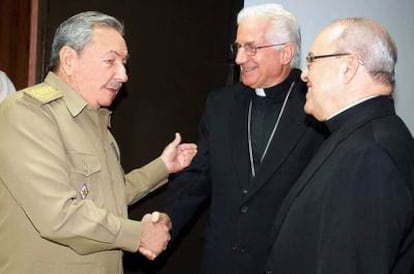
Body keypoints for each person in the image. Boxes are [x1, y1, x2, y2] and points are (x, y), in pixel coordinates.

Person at [0, 11, 197, 274]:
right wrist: (139, 234)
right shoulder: (28, 112)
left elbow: (108, 196)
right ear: (69, 60)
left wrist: (162, 166)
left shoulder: (95, 118)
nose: (123, 75)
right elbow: (57, 214)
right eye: (110, 61)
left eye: (124, 62)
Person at [163, 4, 327, 274]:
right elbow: (199, 176)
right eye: (238, 47)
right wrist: (167, 220)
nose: (239, 58)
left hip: (284, 262)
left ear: (285, 52)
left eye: (251, 48)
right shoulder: (221, 104)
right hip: (221, 262)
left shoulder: (317, 105)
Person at [264, 18, 414, 274]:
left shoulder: (369, 155)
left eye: (312, 60)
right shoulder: (360, 134)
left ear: (348, 67)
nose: (304, 74)